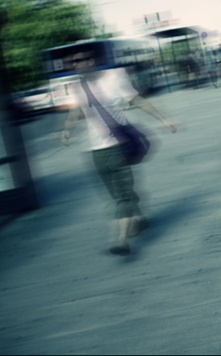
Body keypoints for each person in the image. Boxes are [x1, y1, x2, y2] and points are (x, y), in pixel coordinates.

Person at [61, 49, 177, 256]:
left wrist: (163, 119)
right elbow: (74, 113)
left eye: (79, 61)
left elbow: (138, 101)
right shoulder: (76, 87)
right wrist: (67, 130)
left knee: (122, 194)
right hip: (95, 150)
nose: (75, 65)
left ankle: (120, 240)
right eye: (72, 63)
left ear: (91, 60)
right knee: (116, 194)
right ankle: (139, 219)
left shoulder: (114, 77)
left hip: (118, 145)